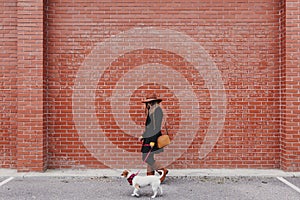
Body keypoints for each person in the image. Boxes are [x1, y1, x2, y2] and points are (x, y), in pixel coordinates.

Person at [139, 93, 169, 183]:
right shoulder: (152, 110)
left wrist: (144, 136)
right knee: (149, 156)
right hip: (150, 136)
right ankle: (150, 177)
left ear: (152, 102)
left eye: (148, 102)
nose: (146, 104)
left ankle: (162, 170)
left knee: (146, 156)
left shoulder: (157, 111)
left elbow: (153, 127)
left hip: (152, 137)